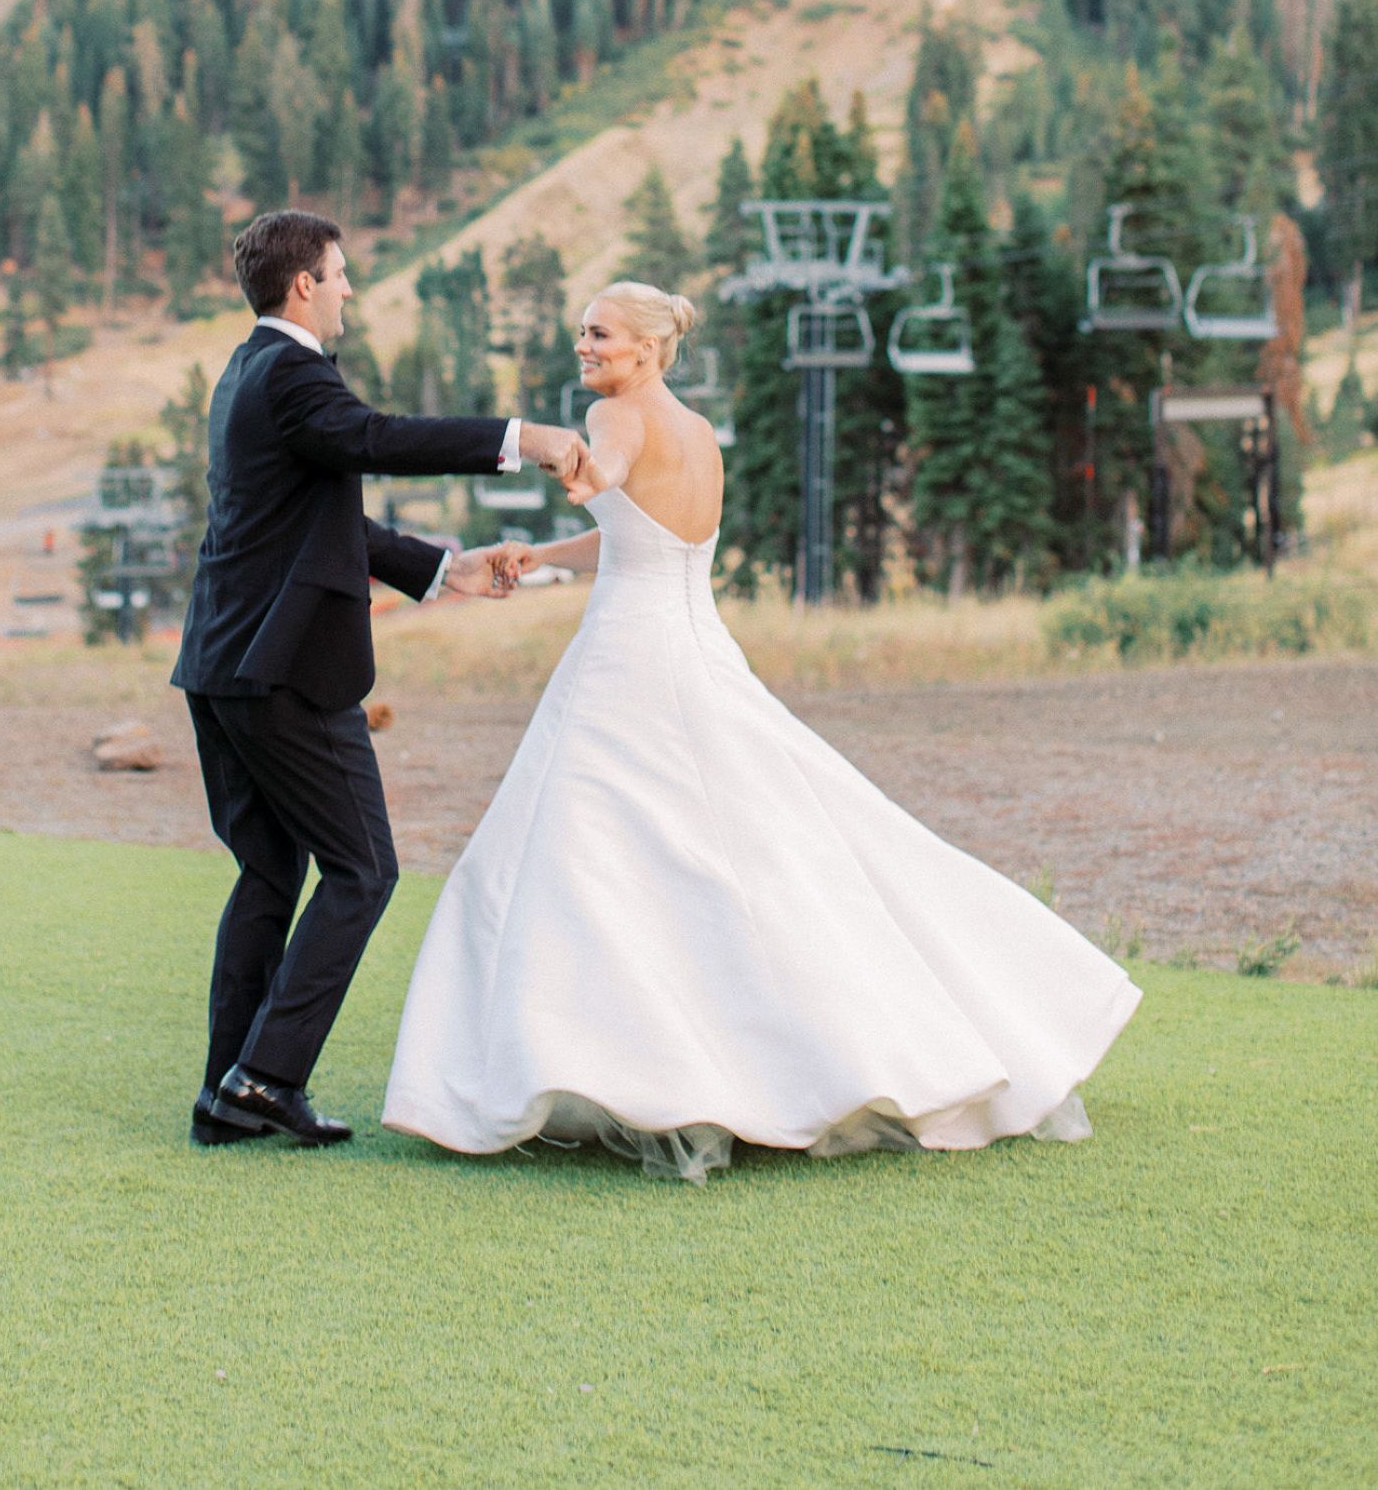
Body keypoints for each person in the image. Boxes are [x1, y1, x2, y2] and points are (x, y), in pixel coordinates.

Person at [383, 278, 1140, 1180]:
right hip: (693, 640)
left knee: (583, 850)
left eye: (600, 333)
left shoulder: (614, 417)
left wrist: (570, 464)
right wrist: (545, 555)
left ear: (647, 347)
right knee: (759, 837)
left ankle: (608, 1056)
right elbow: (647, 534)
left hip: (631, 660)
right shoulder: (698, 433)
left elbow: (609, 477)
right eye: (582, 332)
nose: (583, 347)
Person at [173, 208, 583, 1150]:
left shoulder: (245, 371)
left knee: (271, 871)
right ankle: (269, 1076)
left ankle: (229, 1090)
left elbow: (316, 525)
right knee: (363, 869)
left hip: (219, 663)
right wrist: (528, 436)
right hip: (284, 672)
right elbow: (380, 438)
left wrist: (444, 570)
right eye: (341, 272)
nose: (351, 287)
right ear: (304, 284)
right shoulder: (294, 374)